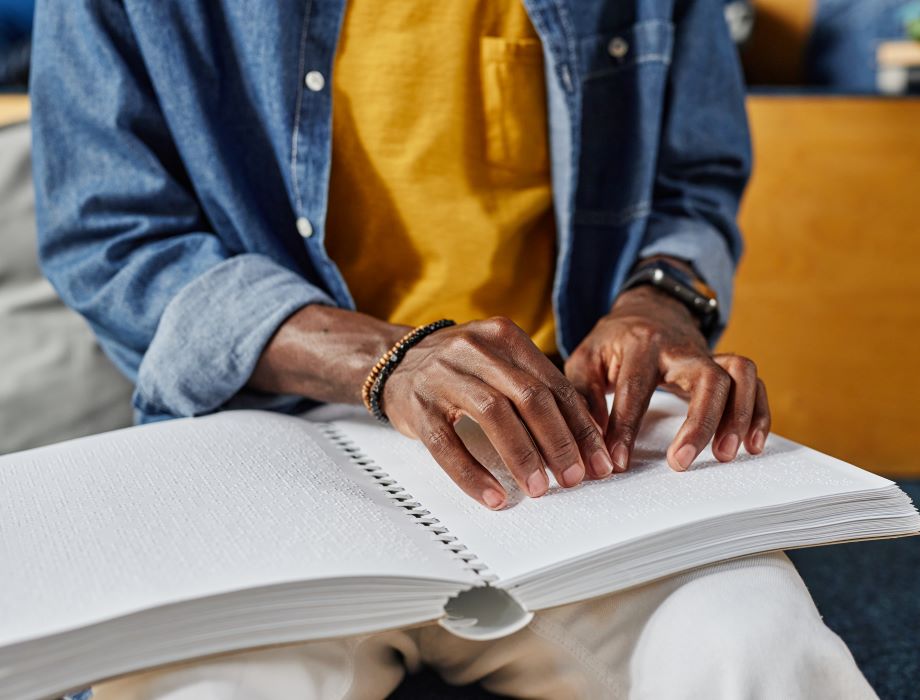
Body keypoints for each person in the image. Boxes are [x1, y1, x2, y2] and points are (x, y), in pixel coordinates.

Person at [31, 1, 876, 697]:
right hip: (269, 442)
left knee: (760, 653)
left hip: (577, 445)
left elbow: (692, 178)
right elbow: (110, 233)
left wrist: (662, 301)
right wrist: (386, 359)